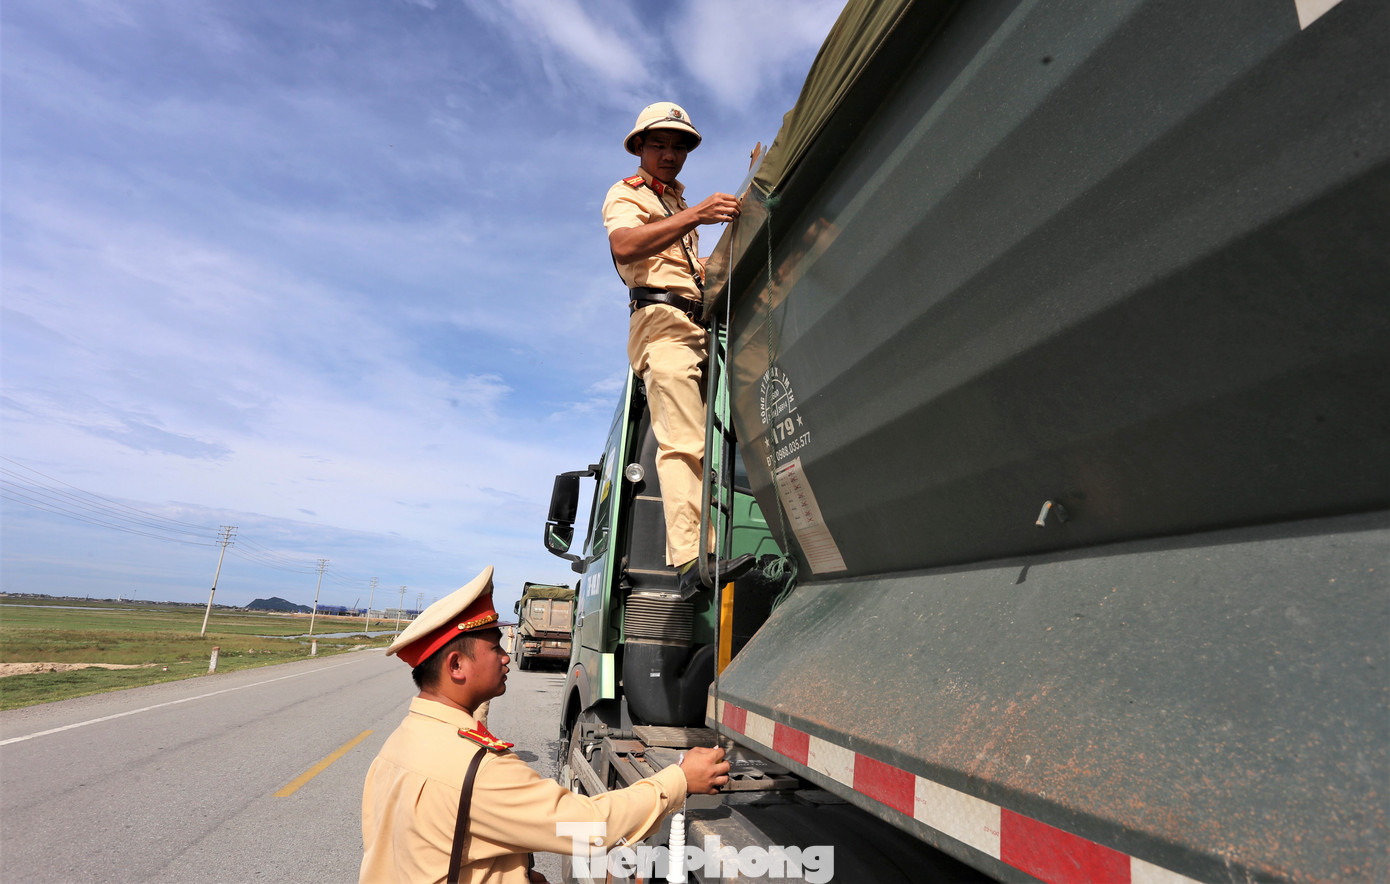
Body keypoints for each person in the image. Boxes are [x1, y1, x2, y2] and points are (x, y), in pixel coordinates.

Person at [359, 566, 730, 884]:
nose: (507, 658)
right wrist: (679, 780)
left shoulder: (400, 741)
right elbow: (592, 826)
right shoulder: (479, 769)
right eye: (495, 648)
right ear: (456, 666)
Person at [602, 101, 751, 597]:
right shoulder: (627, 195)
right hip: (661, 324)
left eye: (679, 145)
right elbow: (624, 247)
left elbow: (688, 268)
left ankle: (700, 552)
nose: (670, 154)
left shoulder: (673, 202)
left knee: (711, 442)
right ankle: (691, 561)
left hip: (697, 326)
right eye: (659, 144)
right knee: (682, 441)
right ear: (639, 147)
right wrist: (696, 216)